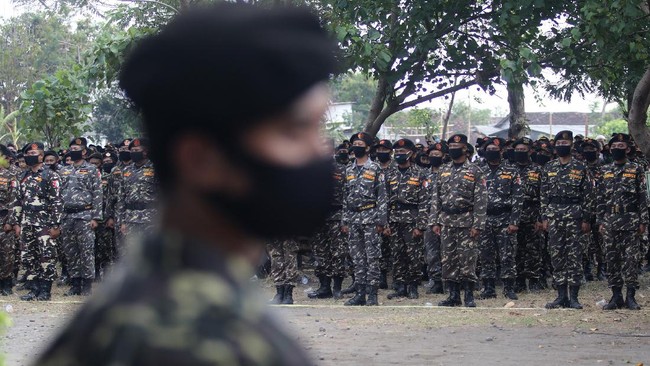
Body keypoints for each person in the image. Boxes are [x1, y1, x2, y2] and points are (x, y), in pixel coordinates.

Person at [34, 3, 336, 365]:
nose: (319, 151)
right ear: (200, 159)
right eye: (293, 132)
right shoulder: (193, 340)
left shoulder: (171, 299)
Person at [430, 134, 486, 307]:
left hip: (467, 220)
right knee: (448, 259)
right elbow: (436, 197)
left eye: (457, 146)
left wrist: (478, 224)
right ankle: (453, 296)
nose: (453, 149)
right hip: (446, 220)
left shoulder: (475, 171)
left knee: (468, 258)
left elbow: (481, 200)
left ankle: (469, 295)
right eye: (451, 146)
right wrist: (435, 221)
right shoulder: (444, 170)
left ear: (465, 149)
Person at [541, 131, 594, 309]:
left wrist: (586, 219)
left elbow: (588, 195)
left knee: (574, 256)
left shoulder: (581, 167)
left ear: (571, 145)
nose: (562, 145)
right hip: (554, 216)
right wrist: (545, 217)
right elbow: (544, 195)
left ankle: (574, 297)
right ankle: (560, 296)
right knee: (556, 255)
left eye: (565, 142)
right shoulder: (549, 167)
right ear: (555, 146)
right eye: (559, 142)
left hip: (575, 215)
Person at [599, 133, 648, 310]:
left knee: (631, 260)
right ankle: (616, 296)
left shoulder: (636, 169)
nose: (616, 149)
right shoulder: (605, 170)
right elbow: (601, 198)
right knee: (611, 259)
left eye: (620, 147)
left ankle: (631, 297)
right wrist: (600, 220)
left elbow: (643, 196)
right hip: (610, 221)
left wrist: (643, 221)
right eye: (614, 147)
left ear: (627, 149)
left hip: (630, 221)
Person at [10, 142, 63, 301]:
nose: (28, 157)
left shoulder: (51, 175)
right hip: (27, 222)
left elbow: (57, 201)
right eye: (27, 154)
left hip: (45, 223)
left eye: (32, 154)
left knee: (46, 256)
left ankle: (45, 291)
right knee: (28, 256)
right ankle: (34, 289)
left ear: (41, 156)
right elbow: (17, 201)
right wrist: (17, 223)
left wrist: (55, 225)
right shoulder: (23, 176)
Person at [341, 132, 388, 306]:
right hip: (353, 218)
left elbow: (382, 196)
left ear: (367, 148)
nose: (356, 146)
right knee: (357, 257)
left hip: (370, 217)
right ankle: (359, 293)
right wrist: (344, 221)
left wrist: (381, 221)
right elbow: (346, 198)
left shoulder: (375, 168)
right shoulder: (349, 169)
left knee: (372, 257)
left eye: (360, 143)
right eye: (354, 143)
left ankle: (372, 294)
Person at [477, 137, 522, 301]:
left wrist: (514, 221)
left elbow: (518, 197)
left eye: (495, 150)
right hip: (484, 218)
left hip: (505, 218)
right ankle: (488, 288)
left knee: (507, 255)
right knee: (485, 255)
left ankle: (509, 287)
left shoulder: (512, 171)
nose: (492, 153)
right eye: (488, 150)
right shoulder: (479, 170)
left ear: (501, 151)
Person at [384, 139, 428, 300]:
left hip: (412, 220)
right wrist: (386, 223)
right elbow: (385, 200)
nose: (399, 155)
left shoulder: (420, 173)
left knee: (414, 255)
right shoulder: (390, 173)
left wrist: (420, 225)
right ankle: (400, 286)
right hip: (395, 219)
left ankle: (413, 286)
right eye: (397, 152)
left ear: (411, 154)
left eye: (403, 152)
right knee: (397, 255)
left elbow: (424, 202)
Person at [59, 138, 103, 296]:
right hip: (67, 216)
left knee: (86, 251)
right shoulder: (64, 170)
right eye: (71, 148)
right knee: (71, 252)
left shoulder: (92, 170)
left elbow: (98, 194)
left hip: (84, 215)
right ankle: (75, 283)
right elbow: (59, 195)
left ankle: (87, 285)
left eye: (76, 148)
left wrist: (96, 217)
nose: (73, 150)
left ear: (84, 152)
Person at [308, 144, 349, 300]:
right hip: (318, 216)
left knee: (338, 252)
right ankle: (324, 287)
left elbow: (348, 196)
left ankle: (337, 287)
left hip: (336, 215)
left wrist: (345, 219)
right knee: (320, 252)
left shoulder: (342, 170)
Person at [512, 137, 544, 292]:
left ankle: (533, 279)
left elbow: (543, 196)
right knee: (515, 248)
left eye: (523, 150)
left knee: (533, 249)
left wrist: (540, 218)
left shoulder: (538, 170)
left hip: (532, 214)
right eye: (517, 150)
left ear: (530, 151)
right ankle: (518, 280)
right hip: (513, 215)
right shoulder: (509, 169)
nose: (520, 153)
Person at [115, 138, 159, 246]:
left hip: (150, 218)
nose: (133, 153)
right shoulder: (126, 171)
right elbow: (121, 197)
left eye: (136, 150)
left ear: (145, 152)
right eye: (132, 151)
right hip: (130, 218)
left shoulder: (155, 169)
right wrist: (122, 222)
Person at [423, 142, 447, 294]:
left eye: (437, 155)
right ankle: (435, 279)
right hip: (428, 218)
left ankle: (450, 280)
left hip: (447, 218)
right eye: (431, 155)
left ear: (444, 156)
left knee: (449, 251)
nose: (434, 157)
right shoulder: (423, 174)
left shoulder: (448, 173)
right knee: (431, 251)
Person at [0, 144, 18, 296]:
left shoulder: (9, 176)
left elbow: (14, 200)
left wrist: (11, 221)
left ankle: (6, 283)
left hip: (4, 218)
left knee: (7, 253)